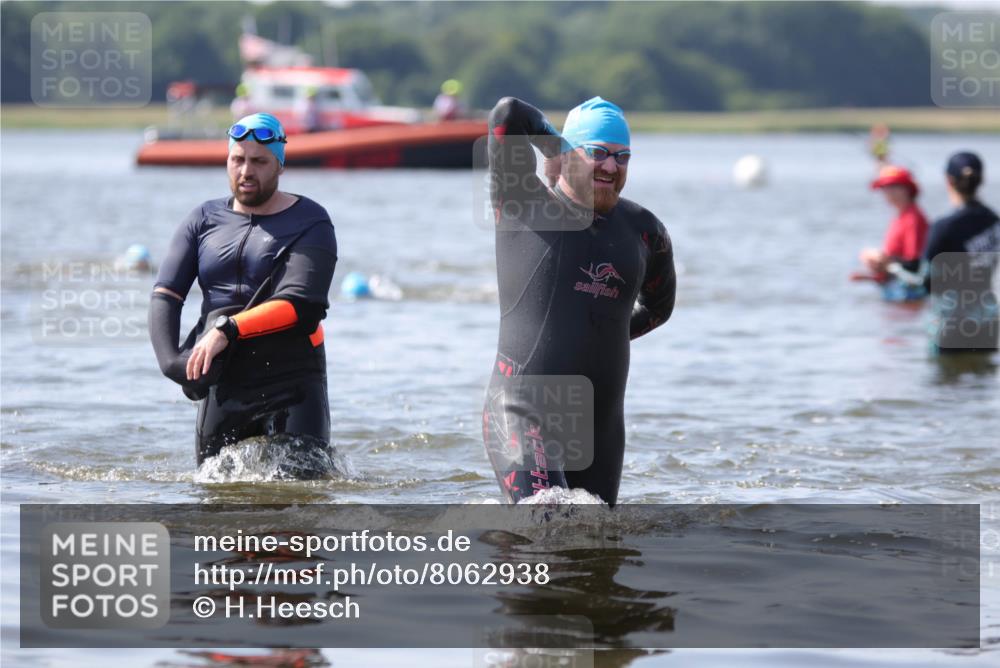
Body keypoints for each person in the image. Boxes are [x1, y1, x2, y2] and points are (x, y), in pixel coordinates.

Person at [482, 96, 676, 506]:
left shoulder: (644, 231)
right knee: (546, 527)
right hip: (522, 411)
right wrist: (556, 148)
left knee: (592, 550)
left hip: (600, 429)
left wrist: (602, 332)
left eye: (622, 157)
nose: (610, 166)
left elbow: (659, 308)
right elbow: (507, 115)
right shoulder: (524, 201)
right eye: (598, 153)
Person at [148, 113, 338, 465]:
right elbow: (166, 294)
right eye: (238, 160)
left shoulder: (311, 221)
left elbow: (302, 304)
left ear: (280, 165)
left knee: (301, 504)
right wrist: (170, 361)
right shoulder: (202, 220)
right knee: (217, 499)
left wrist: (228, 329)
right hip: (225, 384)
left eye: (259, 161)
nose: (246, 171)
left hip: (292, 382)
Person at [924, 151, 1000, 354]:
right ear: (981, 180)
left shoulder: (944, 227)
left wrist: (890, 266)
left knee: (945, 382)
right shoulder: (995, 221)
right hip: (987, 318)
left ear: (948, 180)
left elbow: (925, 280)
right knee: (980, 380)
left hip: (951, 321)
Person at [857, 165, 929, 301]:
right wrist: (872, 275)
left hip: (908, 293)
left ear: (906, 189)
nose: (887, 193)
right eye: (884, 189)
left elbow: (914, 265)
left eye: (892, 188)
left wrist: (882, 260)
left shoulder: (913, 218)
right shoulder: (900, 216)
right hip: (896, 288)